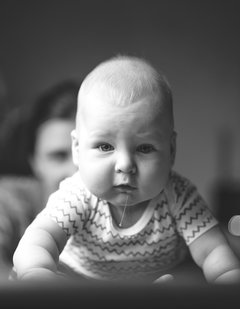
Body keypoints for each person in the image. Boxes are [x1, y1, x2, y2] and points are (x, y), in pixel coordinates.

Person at [13, 56, 240, 284]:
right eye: (105, 146)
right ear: (77, 149)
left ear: (171, 150)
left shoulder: (178, 196)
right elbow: (38, 240)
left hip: (158, 285)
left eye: (144, 148)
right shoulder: (77, 196)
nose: (125, 165)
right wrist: (38, 273)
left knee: (186, 282)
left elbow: (213, 251)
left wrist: (227, 278)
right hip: (81, 288)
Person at [0, 80, 79, 279]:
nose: (74, 170)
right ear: (34, 161)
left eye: (83, 154)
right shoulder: (8, 202)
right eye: (58, 156)